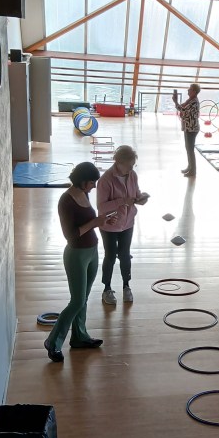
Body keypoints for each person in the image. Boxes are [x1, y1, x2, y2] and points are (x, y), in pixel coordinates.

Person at [44, 161, 111, 363]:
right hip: (76, 255)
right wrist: (95, 222)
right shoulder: (66, 201)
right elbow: (71, 235)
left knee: (84, 297)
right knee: (77, 301)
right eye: (92, 182)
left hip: (92, 251)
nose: (94, 186)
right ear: (82, 181)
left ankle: (79, 336)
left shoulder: (85, 194)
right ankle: (53, 342)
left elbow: (88, 223)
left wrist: (102, 221)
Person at [96, 144, 149, 305]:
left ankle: (127, 285)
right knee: (110, 256)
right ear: (119, 163)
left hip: (128, 223)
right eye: (129, 165)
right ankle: (107, 288)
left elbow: (136, 194)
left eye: (133, 165)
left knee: (125, 255)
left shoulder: (132, 175)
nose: (131, 169)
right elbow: (101, 207)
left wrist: (141, 199)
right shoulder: (105, 180)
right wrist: (122, 201)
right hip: (110, 225)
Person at [172, 83, 201, 177]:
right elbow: (182, 108)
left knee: (190, 149)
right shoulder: (190, 100)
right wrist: (176, 103)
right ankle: (190, 167)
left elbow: (183, 110)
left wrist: (175, 102)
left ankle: (193, 171)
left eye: (190, 89)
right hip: (188, 127)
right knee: (188, 148)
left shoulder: (194, 102)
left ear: (194, 92)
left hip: (192, 128)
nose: (188, 90)